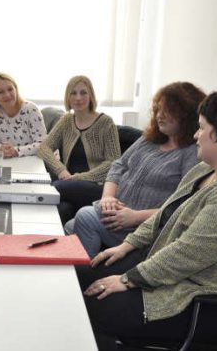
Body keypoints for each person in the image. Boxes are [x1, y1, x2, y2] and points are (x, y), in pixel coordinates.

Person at [76, 86, 217, 350]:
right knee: (78, 274)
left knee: (95, 304)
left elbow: (187, 254)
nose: (196, 135)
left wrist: (126, 279)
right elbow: (164, 215)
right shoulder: (205, 169)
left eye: (201, 128)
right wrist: (126, 245)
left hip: (201, 297)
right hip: (167, 269)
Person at [72, 82, 204, 257]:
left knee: (82, 217)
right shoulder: (149, 139)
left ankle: (82, 274)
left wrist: (136, 217)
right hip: (114, 214)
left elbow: (183, 205)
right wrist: (108, 196)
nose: (159, 116)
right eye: (158, 110)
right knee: (69, 225)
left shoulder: (191, 153)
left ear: (187, 116)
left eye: (168, 111)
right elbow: (118, 165)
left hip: (137, 228)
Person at [37, 75, 121, 224]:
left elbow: (113, 162)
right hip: (70, 185)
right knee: (60, 211)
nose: (78, 98)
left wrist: (79, 178)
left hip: (99, 187)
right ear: (68, 98)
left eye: (83, 92)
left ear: (91, 96)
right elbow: (44, 148)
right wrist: (61, 170)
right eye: (73, 93)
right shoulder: (67, 120)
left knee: (54, 188)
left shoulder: (106, 123)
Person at [0, 72, 47, 157]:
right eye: (1, 92)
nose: (7, 95)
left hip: (38, 161)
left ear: (16, 90)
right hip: (11, 160)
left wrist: (16, 151)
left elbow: (42, 144)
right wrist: (0, 149)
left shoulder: (31, 109)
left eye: (10, 89)